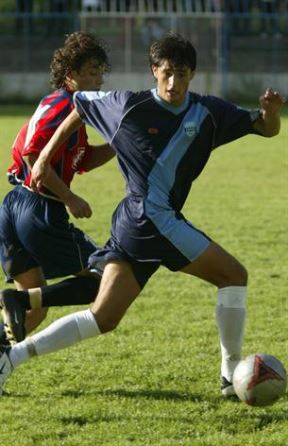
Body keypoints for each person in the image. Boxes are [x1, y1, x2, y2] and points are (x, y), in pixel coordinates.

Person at [0, 32, 284, 398]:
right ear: (154, 71)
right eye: (166, 73)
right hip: (153, 220)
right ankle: (230, 376)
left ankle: (12, 356)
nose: (173, 82)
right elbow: (80, 105)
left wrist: (272, 114)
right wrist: (42, 158)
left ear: (192, 75)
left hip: (135, 222)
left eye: (181, 74)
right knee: (234, 275)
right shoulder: (128, 105)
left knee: (103, 317)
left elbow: (265, 128)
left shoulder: (208, 112)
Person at [0, 31, 114, 344]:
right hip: (38, 209)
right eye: (92, 73)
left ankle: (3, 339)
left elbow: (84, 159)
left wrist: (120, 142)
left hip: (14, 207)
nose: (99, 81)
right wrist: (69, 197)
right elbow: (33, 153)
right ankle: (16, 301)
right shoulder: (63, 105)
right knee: (105, 277)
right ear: (71, 75)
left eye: (101, 73)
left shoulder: (72, 111)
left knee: (34, 307)